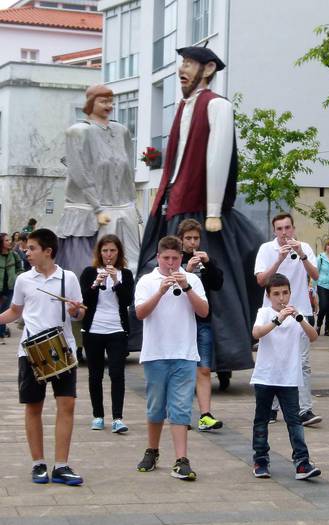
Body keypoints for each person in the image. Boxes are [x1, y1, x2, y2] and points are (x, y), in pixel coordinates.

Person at [138, 44, 264, 377]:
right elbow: (177, 159)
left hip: (201, 208)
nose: (183, 69)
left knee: (233, 266)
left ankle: (221, 358)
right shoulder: (184, 106)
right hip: (174, 206)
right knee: (159, 271)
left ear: (207, 70)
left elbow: (218, 156)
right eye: (182, 63)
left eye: (190, 63)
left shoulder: (217, 105)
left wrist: (212, 210)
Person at [0, 228, 85, 485]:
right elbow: (15, 311)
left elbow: (79, 313)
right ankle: (38, 464)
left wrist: (75, 310)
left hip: (62, 348)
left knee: (66, 405)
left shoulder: (68, 278)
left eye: (32, 248)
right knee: (34, 407)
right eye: (26, 249)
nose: (27, 253)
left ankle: (61, 465)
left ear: (48, 251)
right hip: (30, 350)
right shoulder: (24, 280)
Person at [134, 235, 208, 481]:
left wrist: (185, 286)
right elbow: (140, 313)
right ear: (158, 258)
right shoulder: (147, 281)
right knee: (155, 407)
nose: (171, 264)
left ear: (181, 258)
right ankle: (152, 450)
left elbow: (204, 311)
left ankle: (181, 459)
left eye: (175, 259)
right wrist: (161, 290)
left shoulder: (193, 280)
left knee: (181, 408)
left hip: (184, 353)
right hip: (156, 353)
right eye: (166, 258)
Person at [56, 84, 140, 275]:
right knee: (89, 269)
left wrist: (131, 202)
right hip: (90, 212)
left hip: (122, 209)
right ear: (90, 103)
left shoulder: (121, 131)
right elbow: (79, 172)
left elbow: (128, 171)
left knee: (130, 265)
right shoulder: (78, 131)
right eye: (103, 101)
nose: (108, 105)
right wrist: (98, 207)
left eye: (110, 101)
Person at [250, 273, 322, 480]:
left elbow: (313, 336)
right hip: (265, 376)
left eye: (285, 293)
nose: (281, 298)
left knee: (294, 422)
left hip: (289, 378)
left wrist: (299, 318)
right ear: (269, 295)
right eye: (276, 294)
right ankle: (260, 460)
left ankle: (302, 463)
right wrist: (277, 319)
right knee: (261, 420)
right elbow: (257, 333)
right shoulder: (264, 313)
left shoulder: (296, 317)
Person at [254, 212, 322, 426]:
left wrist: (301, 254)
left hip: (300, 311)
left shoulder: (306, 247)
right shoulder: (267, 249)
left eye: (288, 228)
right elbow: (261, 280)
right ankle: (272, 408)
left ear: (293, 228)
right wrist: (279, 259)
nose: (285, 233)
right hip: (272, 313)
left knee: (302, 363)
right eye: (280, 229)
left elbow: (316, 275)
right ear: (275, 231)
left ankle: (304, 410)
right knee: (275, 359)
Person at [79, 234, 134, 433]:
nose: (108, 255)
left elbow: (128, 300)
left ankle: (118, 418)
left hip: (117, 329)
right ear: (99, 253)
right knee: (95, 375)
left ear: (118, 252)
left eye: (112, 251)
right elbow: (83, 299)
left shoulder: (125, 274)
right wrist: (96, 283)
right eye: (104, 251)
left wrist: (115, 280)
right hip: (93, 330)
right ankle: (98, 415)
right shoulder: (89, 272)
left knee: (117, 373)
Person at [177, 219, 224, 432]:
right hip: (182, 322)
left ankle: (205, 415)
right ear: (181, 240)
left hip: (203, 321)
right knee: (183, 371)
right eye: (188, 238)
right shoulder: (175, 261)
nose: (192, 243)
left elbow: (218, 284)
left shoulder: (206, 260)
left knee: (204, 368)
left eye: (196, 238)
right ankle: (182, 415)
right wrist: (187, 269)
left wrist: (210, 264)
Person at [1, 232, 23, 340]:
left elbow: (20, 268)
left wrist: (16, 276)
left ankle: (1, 332)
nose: (9, 242)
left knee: (4, 310)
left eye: (9, 240)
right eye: (6, 240)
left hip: (9, 288)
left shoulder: (14, 254)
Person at [315, 238, 329, 336]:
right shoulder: (320, 257)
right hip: (322, 285)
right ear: (325, 246)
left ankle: (327, 329)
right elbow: (315, 272)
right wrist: (314, 287)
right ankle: (318, 325)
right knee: (323, 306)